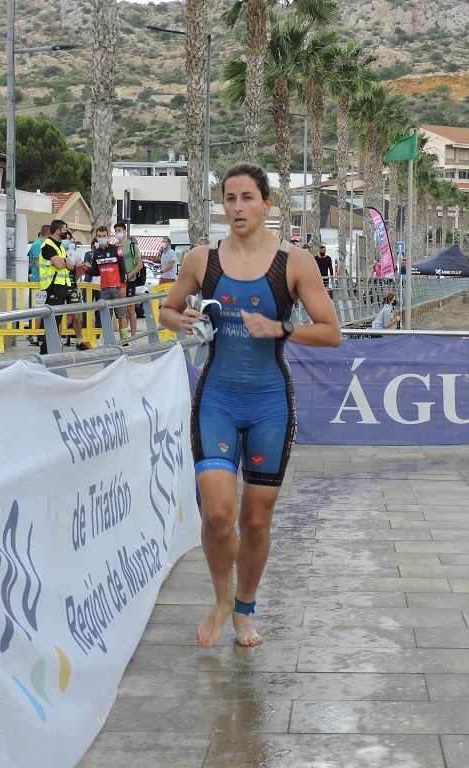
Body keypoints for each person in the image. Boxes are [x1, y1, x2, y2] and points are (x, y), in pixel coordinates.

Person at [159, 163, 340, 648]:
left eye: (247, 198)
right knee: (217, 514)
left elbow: (332, 332)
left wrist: (280, 328)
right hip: (217, 396)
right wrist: (186, 322)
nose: (238, 207)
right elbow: (167, 308)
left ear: (266, 205)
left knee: (255, 520)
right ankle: (221, 599)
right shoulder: (202, 260)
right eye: (230, 198)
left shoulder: (295, 263)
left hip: (268, 404)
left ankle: (243, 608)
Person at [39, 218, 91, 353]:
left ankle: (49, 348)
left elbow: (71, 265)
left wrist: (62, 261)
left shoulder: (60, 246)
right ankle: (45, 349)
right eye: (64, 230)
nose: (67, 232)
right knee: (52, 319)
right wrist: (62, 261)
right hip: (53, 285)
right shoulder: (48, 245)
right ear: (57, 231)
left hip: (62, 285)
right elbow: (61, 264)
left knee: (57, 318)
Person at [87, 225, 128, 338]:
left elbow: (123, 269)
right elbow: (96, 271)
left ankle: (124, 340)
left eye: (104, 236)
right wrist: (86, 269)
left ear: (108, 236)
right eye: (100, 236)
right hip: (104, 289)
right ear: (96, 237)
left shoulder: (116, 249)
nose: (102, 238)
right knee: (106, 317)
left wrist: (123, 286)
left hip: (118, 287)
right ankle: (109, 341)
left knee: (121, 316)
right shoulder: (96, 253)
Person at [115, 221, 142, 340]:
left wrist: (129, 275)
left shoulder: (132, 246)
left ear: (125, 232)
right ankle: (124, 338)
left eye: (119, 231)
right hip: (119, 282)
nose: (117, 233)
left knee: (130, 309)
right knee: (122, 311)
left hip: (131, 281)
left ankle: (133, 337)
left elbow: (139, 264)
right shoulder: (115, 247)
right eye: (115, 231)